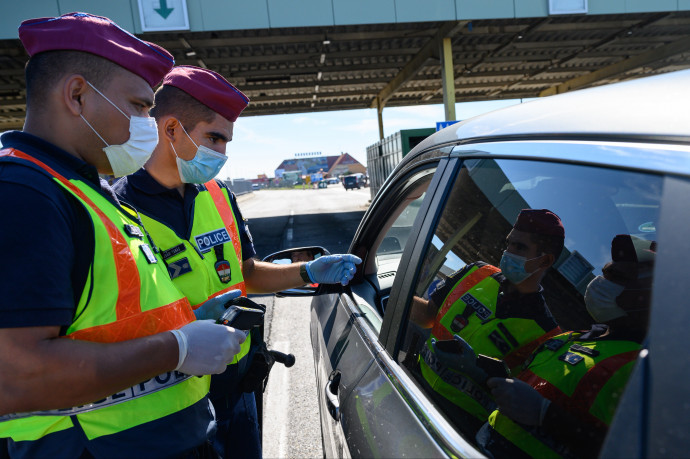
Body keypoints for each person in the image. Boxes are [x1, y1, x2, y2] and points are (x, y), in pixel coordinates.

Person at [0, 13, 248, 458]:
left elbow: (111, 321)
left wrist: (187, 322)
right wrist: (178, 347)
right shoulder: (23, 195)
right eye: (138, 107)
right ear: (77, 96)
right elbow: (16, 376)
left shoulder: (83, 190)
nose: (148, 125)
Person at [112, 65, 361, 458]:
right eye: (214, 138)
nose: (222, 154)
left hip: (237, 387)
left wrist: (307, 271)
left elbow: (247, 273)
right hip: (169, 403)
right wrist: (187, 327)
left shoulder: (218, 194)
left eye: (227, 142)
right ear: (172, 130)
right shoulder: (115, 209)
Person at [478, 234, 655, 458]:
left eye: (616, 276)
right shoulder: (568, 338)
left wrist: (546, 415)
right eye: (605, 272)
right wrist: (480, 374)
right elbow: (524, 391)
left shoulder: (643, 371)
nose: (602, 280)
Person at [412, 209, 565, 434]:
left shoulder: (547, 335)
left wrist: (478, 373)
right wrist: (396, 292)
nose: (508, 252)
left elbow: (522, 404)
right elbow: (426, 316)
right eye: (508, 243)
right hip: (412, 384)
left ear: (545, 260)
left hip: (458, 427)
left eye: (520, 247)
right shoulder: (475, 272)